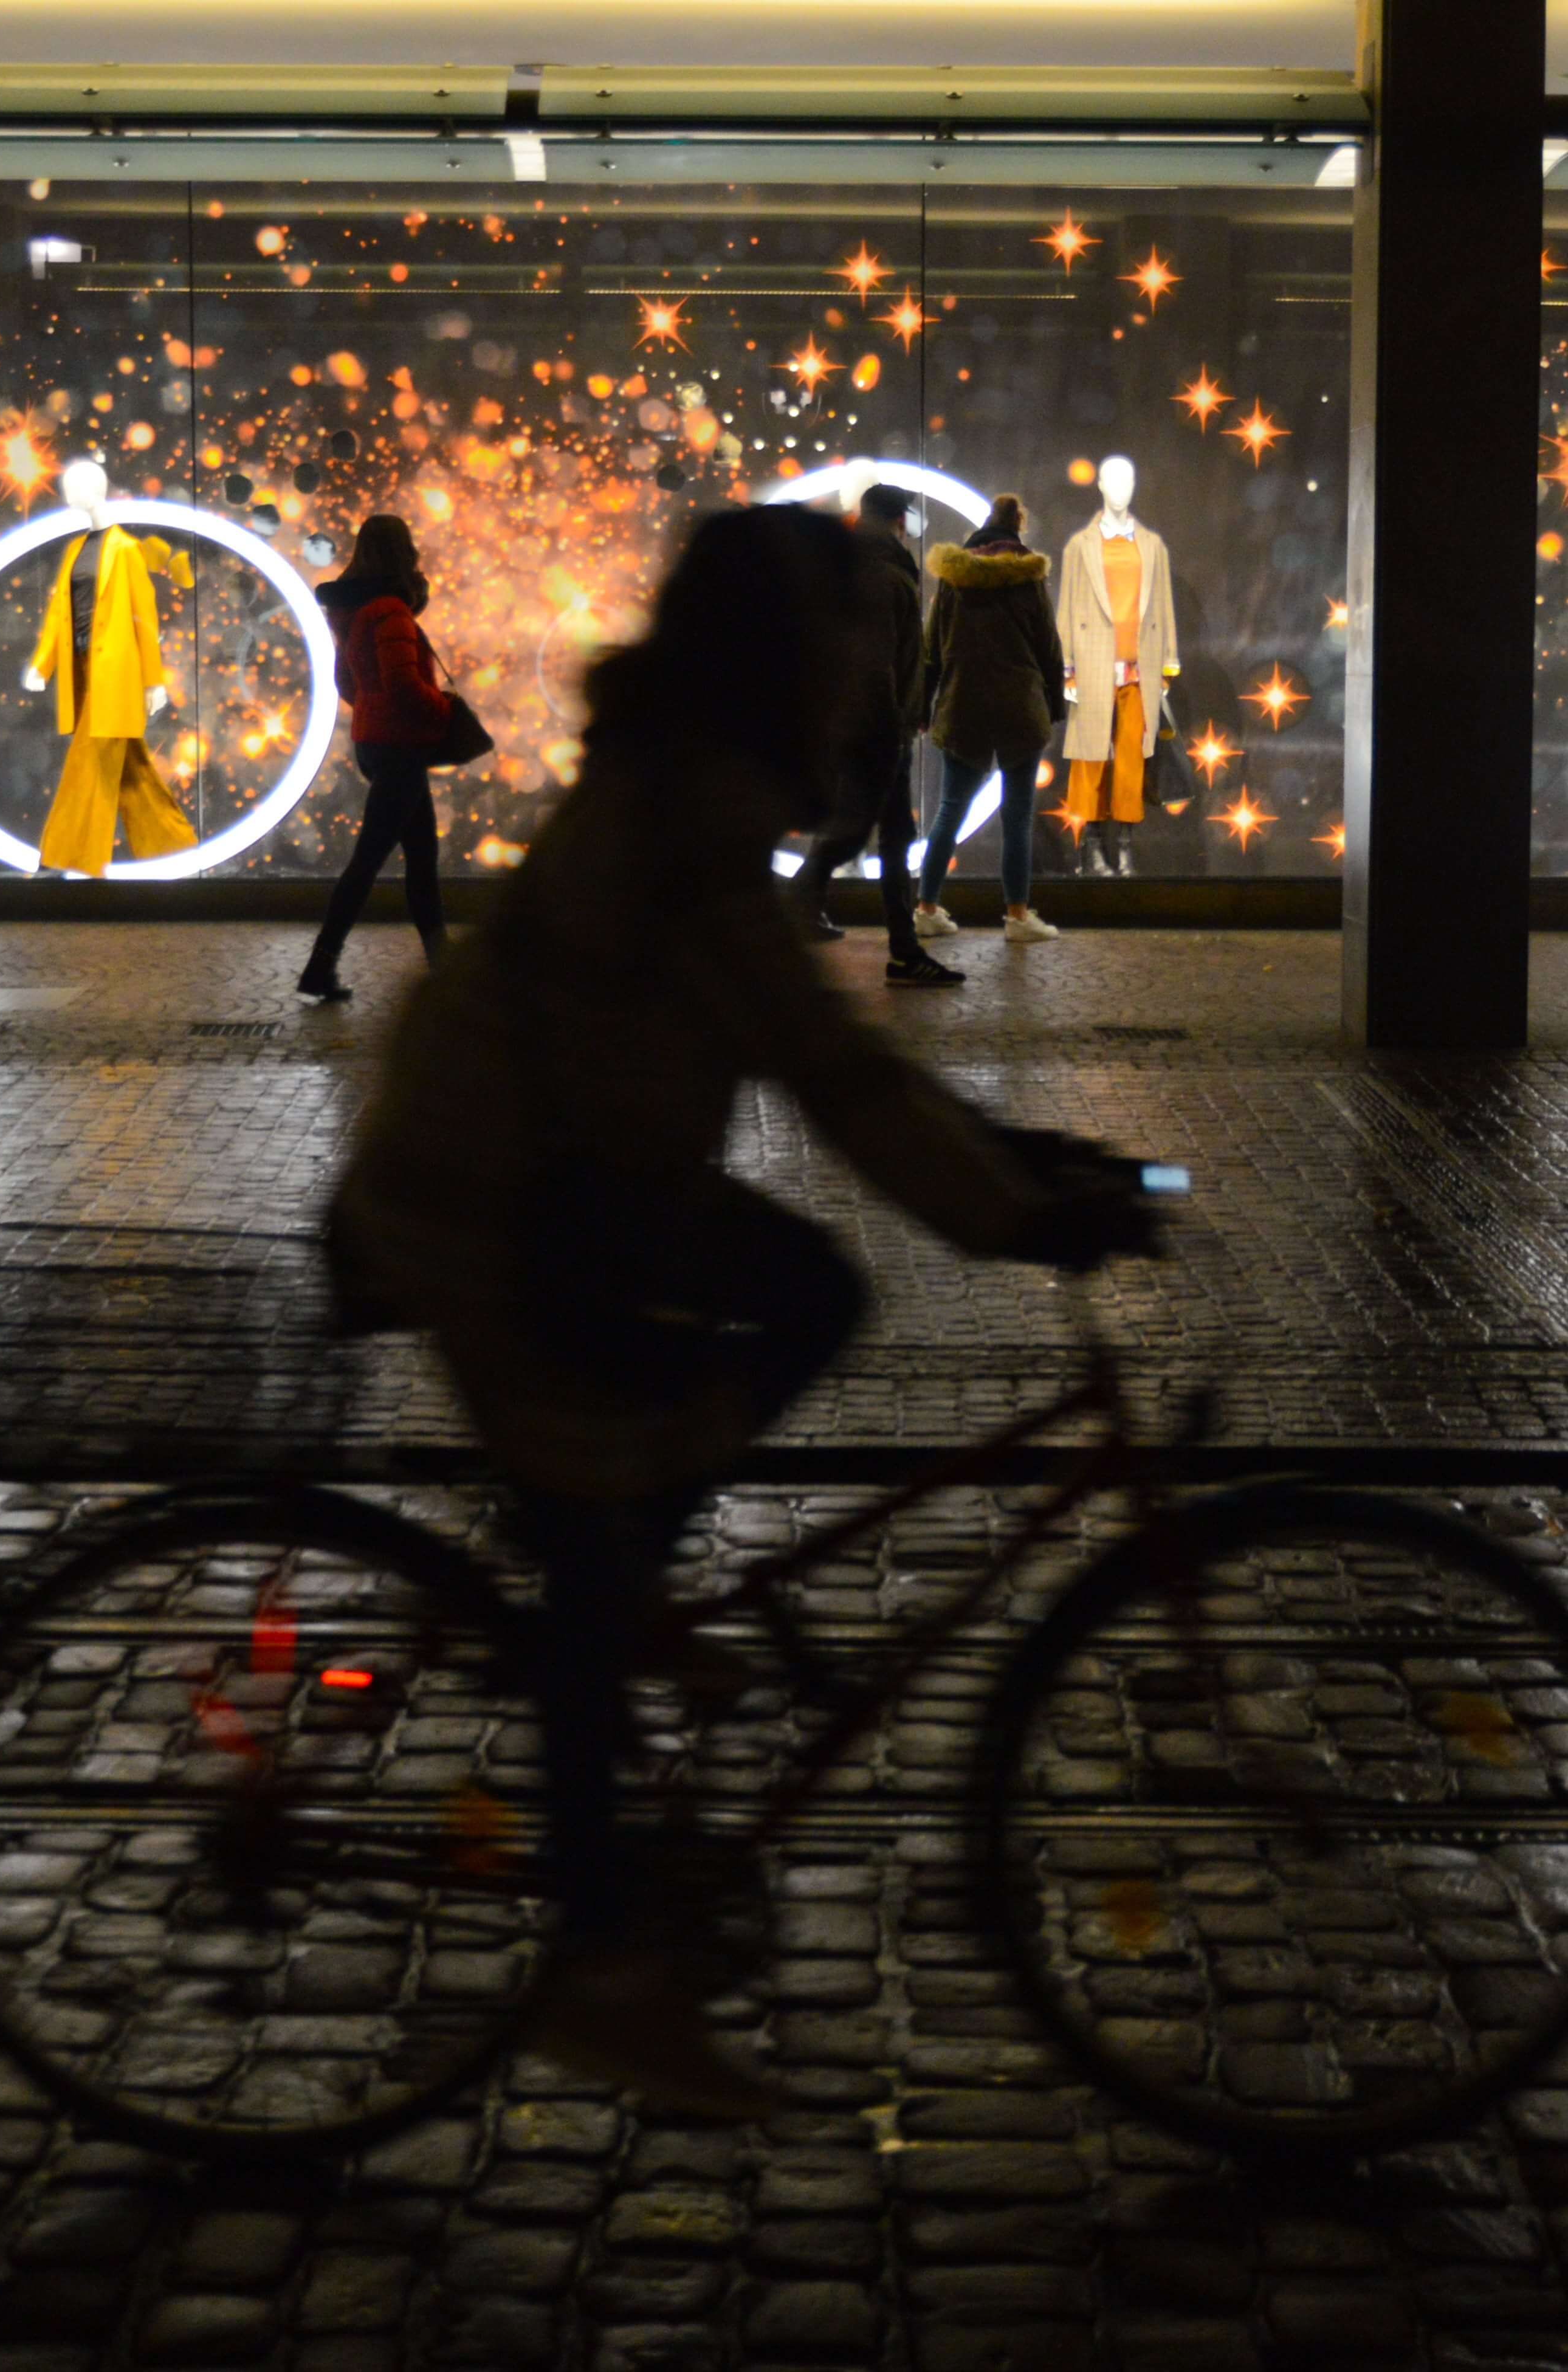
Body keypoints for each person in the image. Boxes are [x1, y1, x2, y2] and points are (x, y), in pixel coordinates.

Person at [326, 506, 1154, 2114]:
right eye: (847, 640)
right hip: (496, 1211)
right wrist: (1007, 1202)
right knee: (602, 1511)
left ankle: (624, 1573)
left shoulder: (688, 793)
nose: (866, 670)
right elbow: (831, 1070)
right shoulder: (691, 824)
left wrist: (1015, 1155)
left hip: (566, 1181)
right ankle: (607, 1961)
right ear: (778, 656)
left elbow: (835, 1061)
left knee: (795, 1294)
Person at [793, 483, 961, 986]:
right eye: (909, 516)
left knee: (867, 829)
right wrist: (896, 720)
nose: (913, 525)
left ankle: (805, 909)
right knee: (883, 835)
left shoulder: (849, 566)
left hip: (857, 721)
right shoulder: (884, 572)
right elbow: (880, 661)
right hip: (878, 726)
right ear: (896, 519)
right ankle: (902, 952)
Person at [298, 515, 451, 1004]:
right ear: (401, 552)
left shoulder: (354, 611)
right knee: (369, 861)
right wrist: (445, 712)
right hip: (399, 747)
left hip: (376, 742)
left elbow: (348, 683)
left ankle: (442, 970)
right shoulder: (390, 612)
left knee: (421, 857)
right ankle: (319, 966)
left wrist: (373, 712)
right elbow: (405, 685)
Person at [911, 494, 1067, 946]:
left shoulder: (954, 581)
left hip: (963, 706)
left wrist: (924, 709)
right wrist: (1053, 706)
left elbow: (930, 652)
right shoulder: (1029, 580)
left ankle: (926, 908)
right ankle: (1017, 917)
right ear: (1016, 527)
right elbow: (1049, 651)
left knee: (948, 811)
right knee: (1017, 818)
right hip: (1019, 708)